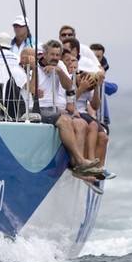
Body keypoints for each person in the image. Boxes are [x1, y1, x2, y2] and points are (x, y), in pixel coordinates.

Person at [29, 40, 101, 177]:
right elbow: (29, 89)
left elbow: (68, 87)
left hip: (54, 108)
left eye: (57, 55)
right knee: (65, 121)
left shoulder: (59, 65)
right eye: (52, 55)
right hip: (38, 107)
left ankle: (76, 165)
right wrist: (34, 79)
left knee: (81, 124)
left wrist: (60, 72)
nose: (55, 58)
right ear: (44, 54)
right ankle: (81, 161)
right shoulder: (35, 68)